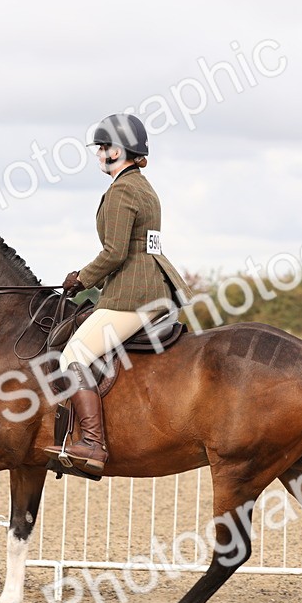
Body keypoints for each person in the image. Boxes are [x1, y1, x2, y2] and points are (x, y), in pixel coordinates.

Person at [42, 113, 193, 475]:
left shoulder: (123, 189)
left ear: (120, 151)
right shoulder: (143, 186)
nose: (99, 153)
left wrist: (82, 278)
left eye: (104, 147)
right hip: (153, 286)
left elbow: (115, 252)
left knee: (74, 354)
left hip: (133, 294)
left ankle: (92, 443)